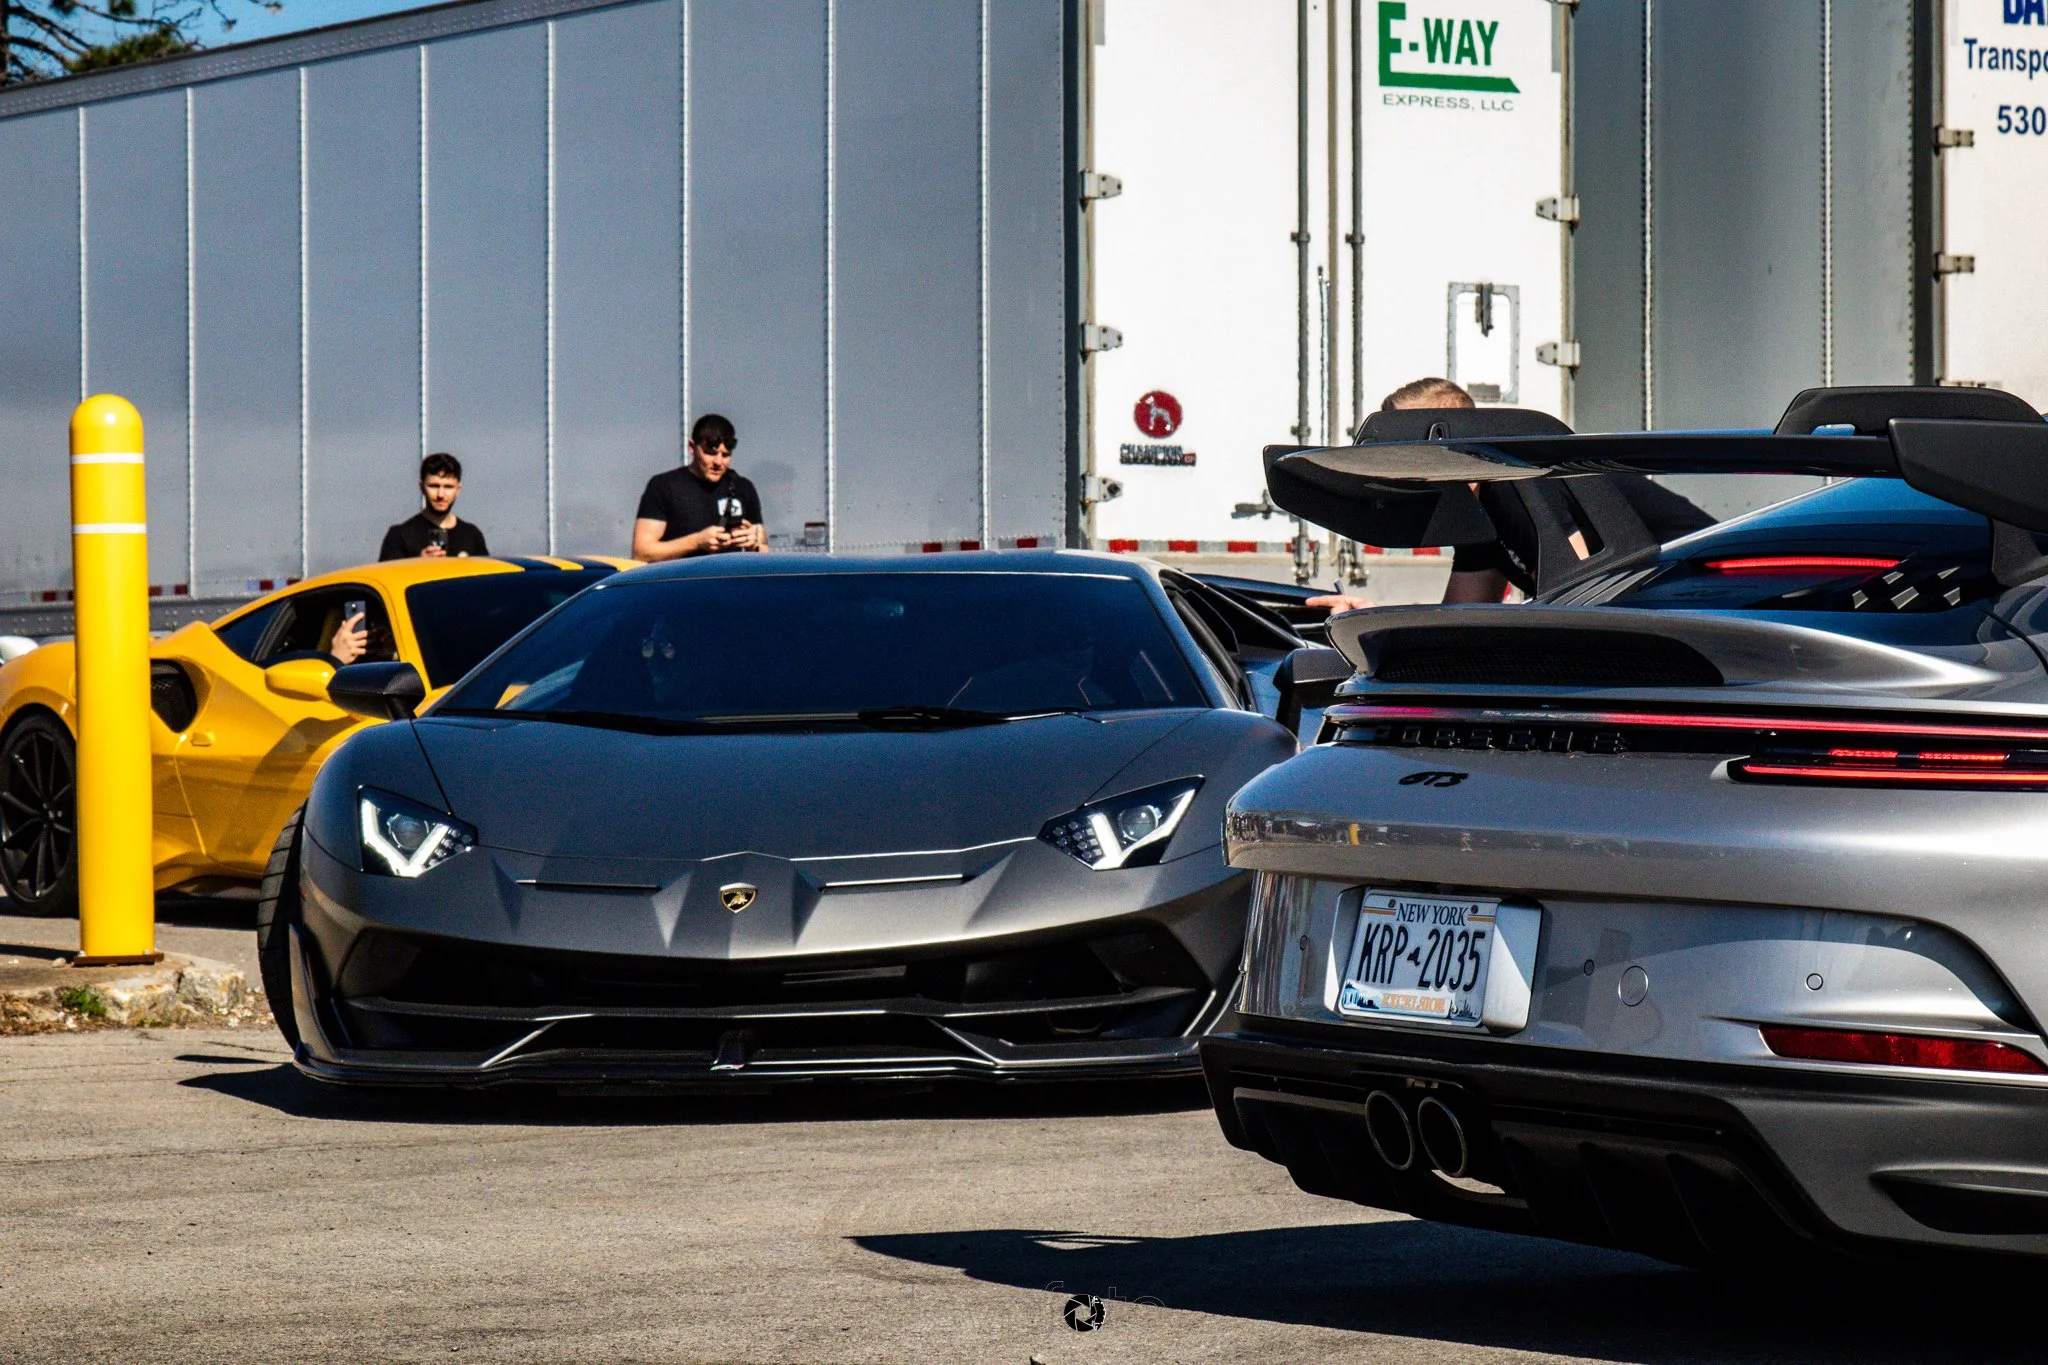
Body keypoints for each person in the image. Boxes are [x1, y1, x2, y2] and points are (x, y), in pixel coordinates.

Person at [1308, 377, 1710, 610]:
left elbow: (1579, 595)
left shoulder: (1518, 486)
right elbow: (1462, 621)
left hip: (1708, 588)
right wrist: (1371, 617)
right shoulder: (1477, 510)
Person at [632, 414, 767, 561]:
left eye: (725, 455)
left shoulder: (743, 488)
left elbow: (764, 551)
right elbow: (641, 553)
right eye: (710, 453)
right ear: (692, 447)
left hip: (731, 575)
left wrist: (753, 544)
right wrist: (697, 542)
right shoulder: (664, 486)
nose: (718, 462)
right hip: (681, 575)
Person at [380, 452, 489, 561]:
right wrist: (417, 564)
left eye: (448, 487)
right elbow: (387, 572)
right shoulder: (400, 536)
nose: (440, 494)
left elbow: (487, 571)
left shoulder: (472, 535)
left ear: (458, 489)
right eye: (434, 486)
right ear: (421, 487)